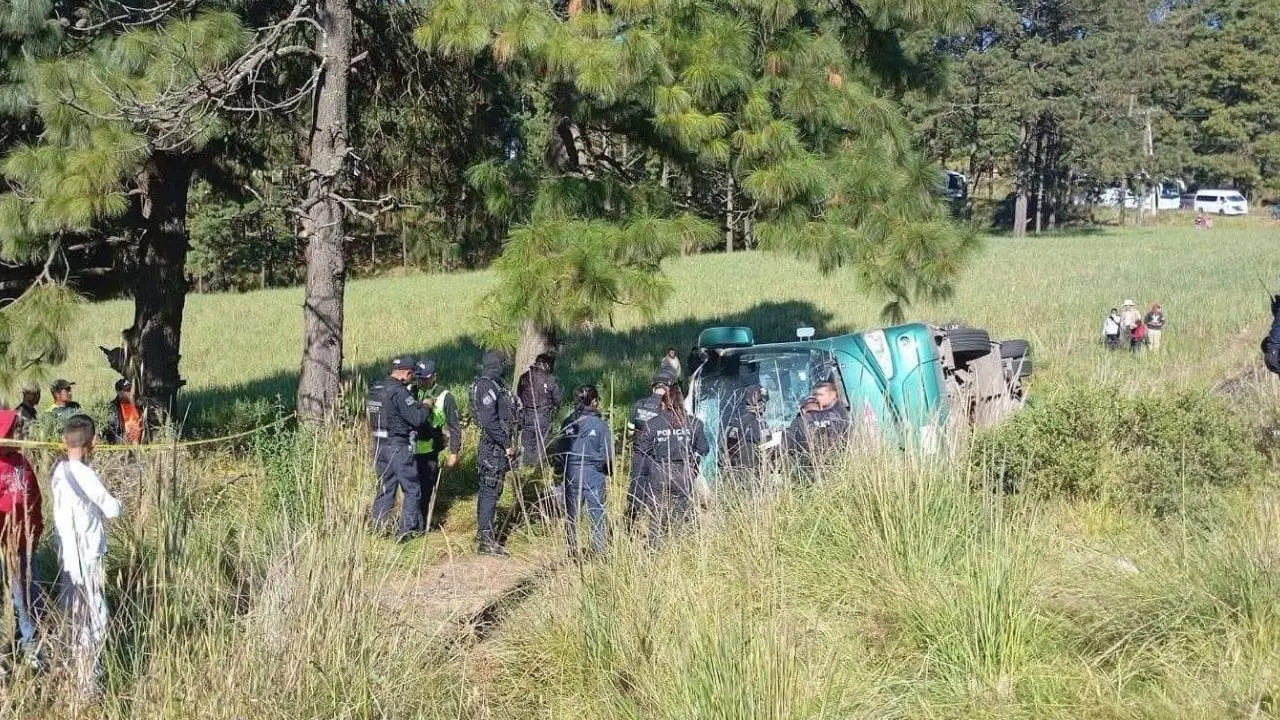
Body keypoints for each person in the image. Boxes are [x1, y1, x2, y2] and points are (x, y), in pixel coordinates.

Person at [51, 415, 122, 696]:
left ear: (65, 441)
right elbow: (112, 510)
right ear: (93, 442)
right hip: (87, 556)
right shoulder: (86, 474)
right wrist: (118, 502)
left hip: (67, 554)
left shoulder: (59, 471)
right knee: (96, 618)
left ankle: (76, 672)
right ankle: (89, 683)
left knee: (75, 614)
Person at [367, 357, 432, 541]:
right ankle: (406, 532)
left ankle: (378, 529)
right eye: (412, 375)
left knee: (386, 488)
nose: (412, 379)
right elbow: (417, 419)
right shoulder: (400, 392)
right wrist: (425, 406)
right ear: (407, 372)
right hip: (398, 446)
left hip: (378, 445)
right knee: (412, 489)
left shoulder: (376, 389)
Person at [637, 384, 709, 544]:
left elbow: (642, 449)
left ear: (663, 403)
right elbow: (704, 449)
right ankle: (679, 546)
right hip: (683, 472)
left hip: (659, 471)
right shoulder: (695, 423)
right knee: (681, 513)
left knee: (657, 515)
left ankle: (654, 548)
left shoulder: (652, 424)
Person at [0, 410, 43, 672]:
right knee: (11, 596)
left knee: (28, 595)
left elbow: (35, 497)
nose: (19, 434)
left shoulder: (22, 462)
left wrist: (36, 529)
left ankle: (31, 647)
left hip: (26, 543)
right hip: (5, 546)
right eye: (14, 430)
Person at [558, 385, 613, 557]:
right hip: (593, 474)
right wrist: (608, 472)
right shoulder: (601, 425)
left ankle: (572, 550)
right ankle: (600, 551)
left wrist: (561, 470)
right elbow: (608, 455)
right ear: (594, 401)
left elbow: (560, 451)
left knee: (572, 514)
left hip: (571, 474)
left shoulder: (567, 423)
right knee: (597, 514)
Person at [471, 350, 517, 556]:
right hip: (493, 449)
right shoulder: (487, 386)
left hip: (493, 447)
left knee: (488, 491)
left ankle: (483, 534)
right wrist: (507, 444)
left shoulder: (494, 385)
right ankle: (487, 541)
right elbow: (489, 421)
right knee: (490, 491)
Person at [410, 359, 461, 527]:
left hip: (430, 451)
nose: (422, 381)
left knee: (426, 490)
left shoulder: (445, 396)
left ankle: (422, 525)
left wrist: (454, 452)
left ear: (434, 376)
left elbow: (454, 426)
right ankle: (411, 524)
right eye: (419, 378)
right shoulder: (410, 391)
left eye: (425, 378)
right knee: (411, 490)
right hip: (409, 450)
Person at [623, 371, 674, 531]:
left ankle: (629, 526)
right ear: (668, 389)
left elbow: (629, 432)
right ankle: (657, 529)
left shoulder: (638, 404)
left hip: (639, 454)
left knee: (635, 491)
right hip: (658, 458)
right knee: (658, 494)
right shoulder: (667, 409)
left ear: (653, 388)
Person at [785, 382, 852, 469]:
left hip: (810, 468)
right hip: (839, 466)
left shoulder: (800, 422)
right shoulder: (840, 415)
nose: (818, 398)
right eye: (816, 395)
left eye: (820, 395)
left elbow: (787, 445)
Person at [515, 353, 563, 469]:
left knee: (528, 444)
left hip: (527, 414)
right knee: (541, 444)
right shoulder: (550, 379)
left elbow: (519, 394)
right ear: (546, 365)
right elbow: (557, 398)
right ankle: (538, 469)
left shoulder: (524, 377)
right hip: (543, 415)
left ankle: (527, 468)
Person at [721, 384, 774, 481]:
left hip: (733, 474)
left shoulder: (735, 420)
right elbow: (768, 449)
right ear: (760, 403)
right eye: (763, 402)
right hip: (751, 476)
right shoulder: (758, 422)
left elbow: (726, 446)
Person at [105, 378, 145, 445]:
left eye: (131, 389)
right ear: (119, 392)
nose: (130, 392)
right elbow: (112, 431)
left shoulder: (141, 404)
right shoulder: (113, 408)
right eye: (127, 390)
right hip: (123, 443)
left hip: (142, 442)